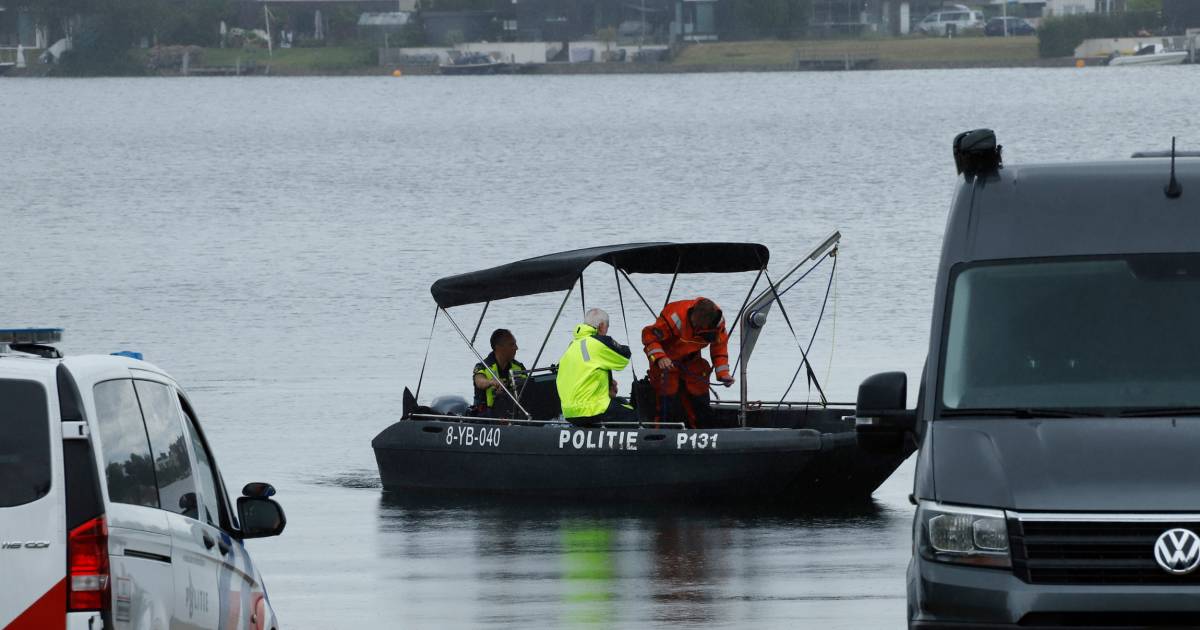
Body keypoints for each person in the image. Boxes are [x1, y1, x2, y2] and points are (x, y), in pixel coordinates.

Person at [642, 297, 733, 427]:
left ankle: (701, 431)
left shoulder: (718, 323)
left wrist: (723, 373)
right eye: (694, 324)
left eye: (700, 326)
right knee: (667, 400)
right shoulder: (674, 316)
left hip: (693, 361)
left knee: (700, 399)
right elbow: (649, 338)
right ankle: (661, 433)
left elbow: (719, 347)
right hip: (667, 361)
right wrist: (660, 357)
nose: (696, 327)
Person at [556, 308, 633, 426]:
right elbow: (623, 358)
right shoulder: (597, 342)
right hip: (592, 409)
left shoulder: (572, 346)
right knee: (634, 415)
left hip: (569, 411)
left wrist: (607, 384)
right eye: (607, 327)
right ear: (602, 326)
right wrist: (608, 341)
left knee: (620, 401)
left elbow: (584, 373)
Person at [473, 328, 526, 414]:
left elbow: (528, 385)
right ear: (499, 348)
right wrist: (491, 382)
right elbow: (479, 381)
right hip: (486, 416)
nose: (516, 348)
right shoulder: (482, 366)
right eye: (512, 344)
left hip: (512, 413)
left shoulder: (519, 367)